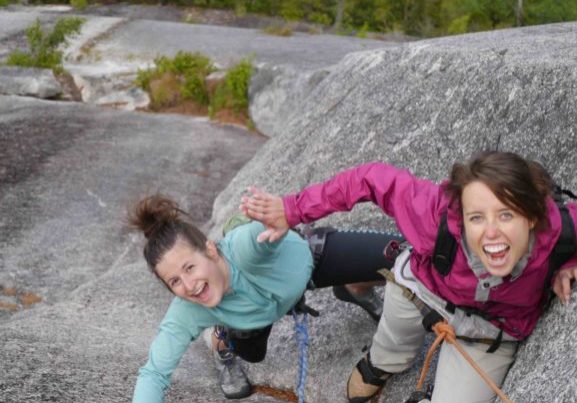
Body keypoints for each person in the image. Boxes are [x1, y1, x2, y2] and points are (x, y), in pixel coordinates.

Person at [240, 150, 577, 403]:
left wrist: (569, 260)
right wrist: (293, 208)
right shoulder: (437, 216)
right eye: (477, 218)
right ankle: (382, 362)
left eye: (506, 215)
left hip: (491, 328)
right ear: (461, 215)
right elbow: (370, 179)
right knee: (394, 337)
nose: (491, 233)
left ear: (533, 217)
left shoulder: (560, 230)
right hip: (424, 291)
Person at [129, 194, 400, 402]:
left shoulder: (244, 249)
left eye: (189, 267)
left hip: (309, 263)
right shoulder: (188, 310)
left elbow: (258, 234)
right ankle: (221, 341)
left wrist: (272, 218)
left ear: (210, 250)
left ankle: (356, 286)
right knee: (252, 354)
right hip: (250, 320)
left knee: (399, 257)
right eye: (174, 281)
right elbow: (154, 373)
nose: (188, 286)